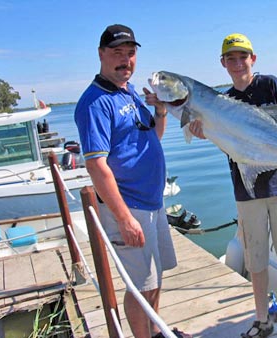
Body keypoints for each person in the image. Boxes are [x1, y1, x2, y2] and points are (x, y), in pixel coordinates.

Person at [189, 33, 277, 338]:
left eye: (242, 57)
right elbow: (232, 146)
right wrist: (205, 133)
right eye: (230, 58)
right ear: (223, 63)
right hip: (247, 190)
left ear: (253, 59)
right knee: (255, 259)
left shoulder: (269, 84)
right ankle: (262, 320)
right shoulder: (219, 103)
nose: (237, 63)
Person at [74, 24, 191, 338]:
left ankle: (153, 333)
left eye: (130, 53)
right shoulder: (94, 103)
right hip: (129, 207)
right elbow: (96, 166)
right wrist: (124, 218)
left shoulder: (128, 91)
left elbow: (154, 137)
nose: (125, 60)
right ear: (101, 54)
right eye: (117, 53)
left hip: (153, 202)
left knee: (154, 281)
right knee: (139, 287)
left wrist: (161, 110)